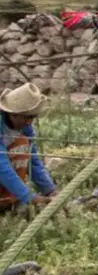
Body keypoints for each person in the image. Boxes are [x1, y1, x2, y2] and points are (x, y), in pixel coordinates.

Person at [0, 83, 57, 211]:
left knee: (23, 144)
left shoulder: (25, 129)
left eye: (33, 117)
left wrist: (50, 190)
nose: (29, 122)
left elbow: (33, 161)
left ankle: (9, 198)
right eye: (27, 117)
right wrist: (29, 197)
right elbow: (2, 168)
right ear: (13, 114)